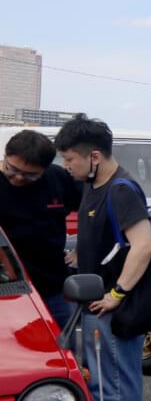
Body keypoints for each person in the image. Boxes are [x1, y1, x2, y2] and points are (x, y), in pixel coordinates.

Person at [55, 114, 151, 401]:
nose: (68, 166)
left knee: (116, 382)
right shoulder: (92, 185)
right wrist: (78, 253)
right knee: (102, 379)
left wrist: (116, 295)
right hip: (96, 305)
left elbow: (144, 246)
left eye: (70, 159)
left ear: (94, 156)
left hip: (114, 307)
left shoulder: (121, 189)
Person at [0, 130, 81, 328]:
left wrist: (81, 249)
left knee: (59, 347)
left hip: (52, 286)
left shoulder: (58, 179)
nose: (18, 178)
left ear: (45, 169)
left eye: (30, 176)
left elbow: (91, 211)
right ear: (4, 156)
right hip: (7, 286)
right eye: (11, 169)